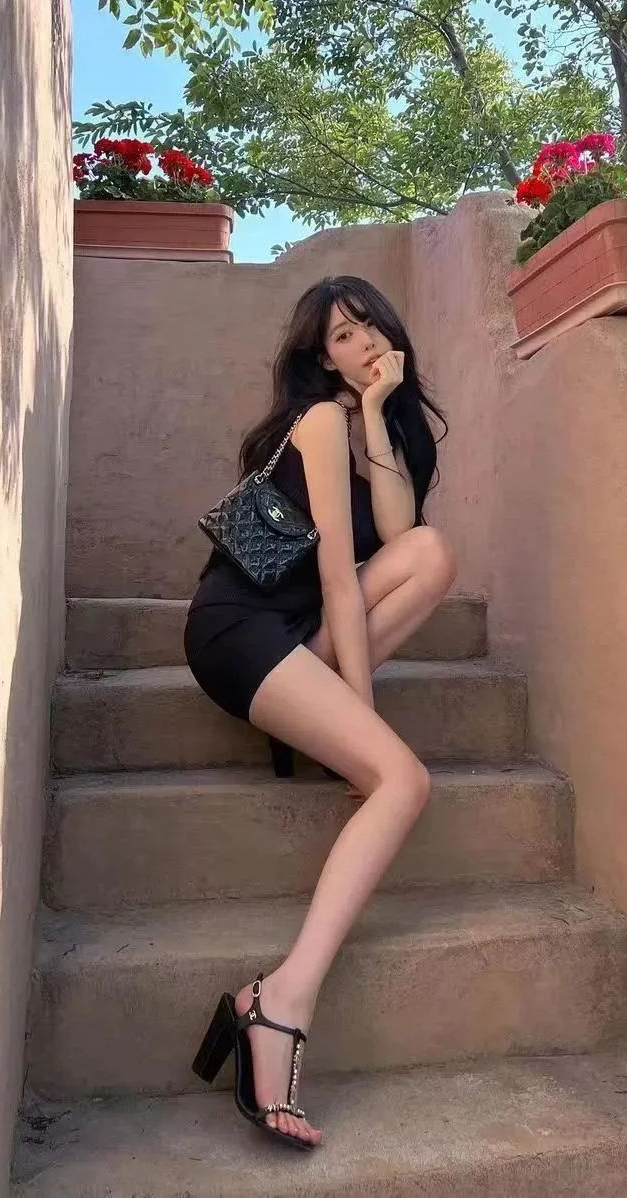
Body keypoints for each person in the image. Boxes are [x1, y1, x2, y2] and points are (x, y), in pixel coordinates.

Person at [184, 275, 456, 1149]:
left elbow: (400, 532)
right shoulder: (314, 422)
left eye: (370, 325)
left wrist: (377, 413)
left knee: (432, 552)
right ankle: (279, 1002)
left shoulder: (368, 424)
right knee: (403, 782)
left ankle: (275, 1002)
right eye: (342, 336)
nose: (363, 343)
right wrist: (364, 732)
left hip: (300, 636)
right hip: (241, 629)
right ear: (319, 356)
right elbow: (339, 580)